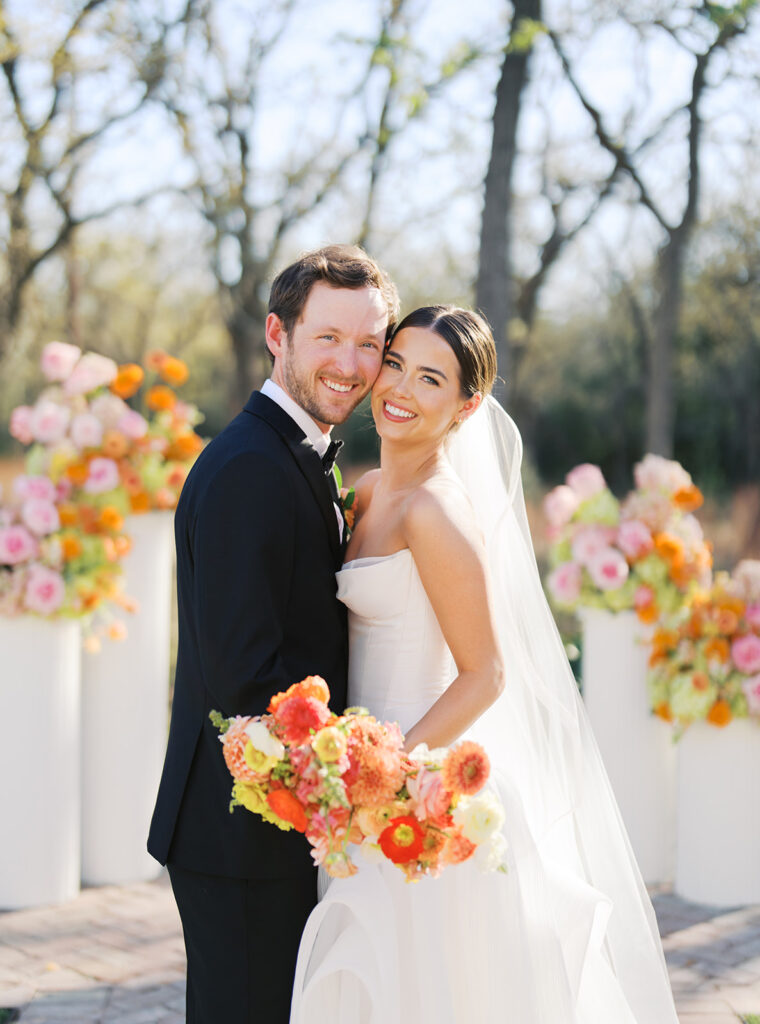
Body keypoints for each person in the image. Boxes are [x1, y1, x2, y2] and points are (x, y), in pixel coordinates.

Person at [290, 306, 680, 1023]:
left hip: (416, 781)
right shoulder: (371, 489)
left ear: (466, 406)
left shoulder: (435, 510)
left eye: (429, 378)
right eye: (396, 363)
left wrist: (388, 775)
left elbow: (486, 673)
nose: (398, 388)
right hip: (357, 777)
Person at [147, 244, 400, 1024]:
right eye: (327, 337)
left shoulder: (293, 454)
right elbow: (245, 675)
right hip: (242, 834)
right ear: (276, 334)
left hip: (272, 825)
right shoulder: (252, 467)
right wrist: (362, 768)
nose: (349, 364)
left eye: (368, 344)